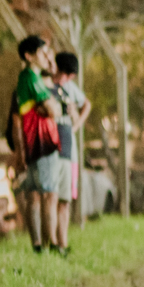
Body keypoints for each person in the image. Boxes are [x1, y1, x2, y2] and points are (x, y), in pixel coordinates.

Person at [12, 35, 66, 255]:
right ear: (29, 56)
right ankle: (50, 244)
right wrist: (51, 107)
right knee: (48, 194)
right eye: (42, 53)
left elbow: (51, 108)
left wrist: (50, 107)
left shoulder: (29, 78)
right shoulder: (30, 77)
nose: (47, 57)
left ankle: (42, 245)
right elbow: (53, 109)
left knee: (40, 193)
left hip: (37, 143)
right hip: (41, 143)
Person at [52, 52, 92, 253]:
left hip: (69, 150)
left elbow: (86, 105)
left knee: (65, 199)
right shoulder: (47, 85)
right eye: (64, 74)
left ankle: (63, 243)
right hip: (51, 148)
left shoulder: (69, 89)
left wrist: (76, 122)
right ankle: (52, 242)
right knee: (51, 198)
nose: (65, 79)